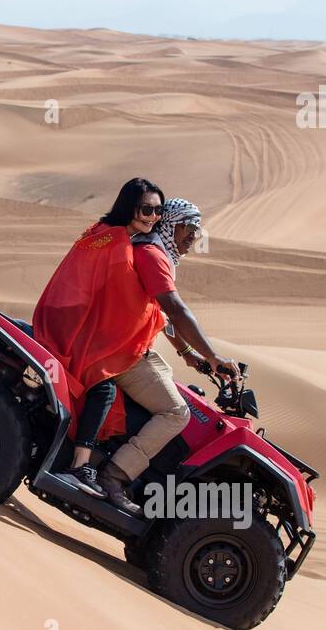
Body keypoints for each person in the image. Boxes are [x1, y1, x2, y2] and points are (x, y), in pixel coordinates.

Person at [32, 178, 169, 509]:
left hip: (77, 324)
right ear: (129, 207)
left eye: (158, 211)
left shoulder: (102, 232)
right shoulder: (118, 242)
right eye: (146, 209)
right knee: (103, 387)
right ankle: (80, 468)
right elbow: (125, 300)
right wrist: (157, 311)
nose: (153, 217)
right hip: (77, 330)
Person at [95, 196, 239, 510]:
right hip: (118, 349)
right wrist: (213, 357)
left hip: (126, 344)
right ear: (170, 223)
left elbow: (157, 312)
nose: (192, 236)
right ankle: (114, 476)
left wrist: (187, 352)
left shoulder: (153, 251)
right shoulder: (152, 255)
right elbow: (175, 309)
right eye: (187, 227)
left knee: (170, 383)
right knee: (177, 412)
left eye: (197, 231)